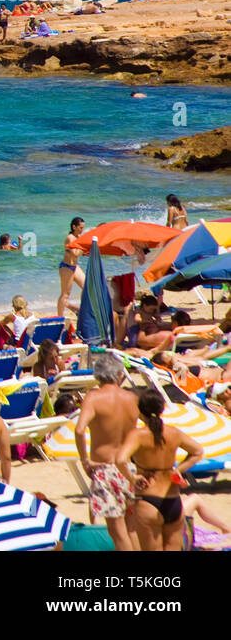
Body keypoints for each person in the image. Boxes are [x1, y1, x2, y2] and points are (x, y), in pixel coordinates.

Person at [117, 387, 203, 551]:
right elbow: (198, 452)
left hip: (148, 499)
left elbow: (120, 459)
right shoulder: (174, 433)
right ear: (162, 409)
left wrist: (132, 478)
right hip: (173, 499)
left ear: (140, 411)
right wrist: (178, 470)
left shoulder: (138, 435)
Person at [75, 353, 141, 550]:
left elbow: (79, 430)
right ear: (119, 374)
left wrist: (85, 460)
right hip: (129, 468)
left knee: (117, 532)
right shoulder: (132, 398)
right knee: (132, 529)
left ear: (98, 375)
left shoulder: (94, 397)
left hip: (105, 470)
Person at [57, 217, 86, 317]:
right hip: (66, 267)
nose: (82, 230)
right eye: (80, 228)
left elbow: (80, 252)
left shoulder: (78, 238)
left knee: (86, 286)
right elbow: (75, 253)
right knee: (65, 294)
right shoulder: (70, 238)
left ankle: (82, 310)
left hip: (75, 267)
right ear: (74, 227)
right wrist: (85, 248)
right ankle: (60, 317)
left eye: (83, 228)